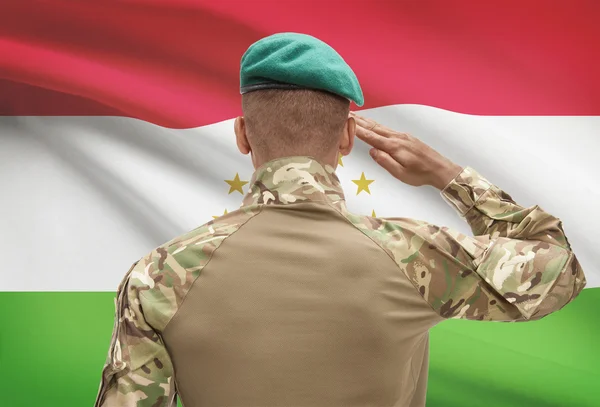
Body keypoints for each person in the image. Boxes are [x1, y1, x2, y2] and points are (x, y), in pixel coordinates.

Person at [95, 33, 586, 407]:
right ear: (348, 137)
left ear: (242, 134)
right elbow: (560, 269)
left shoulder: (158, 275)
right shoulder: (415, 255)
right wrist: (449, 176)